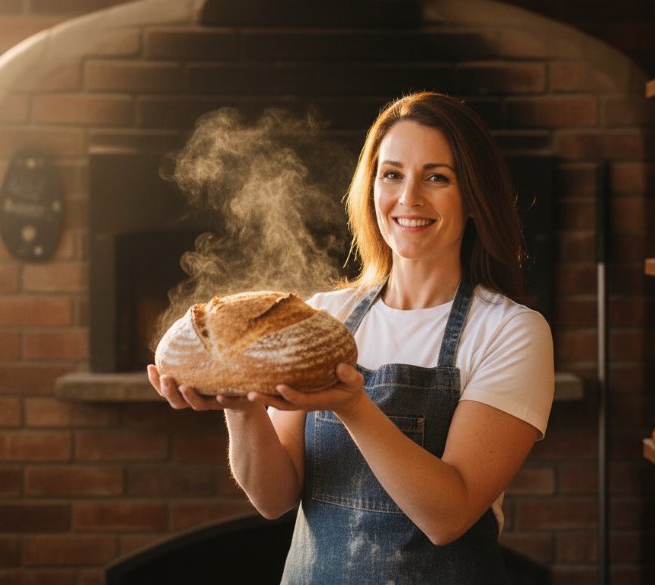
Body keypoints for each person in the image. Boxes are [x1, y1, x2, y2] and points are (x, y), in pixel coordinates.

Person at [148, 91, 554, 585]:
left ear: (474, 196)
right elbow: (274, 499)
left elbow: (449, 516)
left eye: (437, 177)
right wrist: (242, 405)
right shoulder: (325, 318)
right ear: (371, 187)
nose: (409, 199)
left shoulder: (510, 331)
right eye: (392, 174)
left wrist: (354, 407)